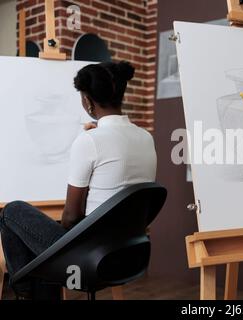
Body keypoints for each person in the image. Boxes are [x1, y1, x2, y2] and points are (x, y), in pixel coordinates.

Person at [0, 61, 157, 300]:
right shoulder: (146, 139)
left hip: (88, 257)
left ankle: (24, 293)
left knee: (11, 211)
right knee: (40, 251)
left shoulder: (89, 142)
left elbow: (71, 218)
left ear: (86, 101)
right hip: (128, 254)